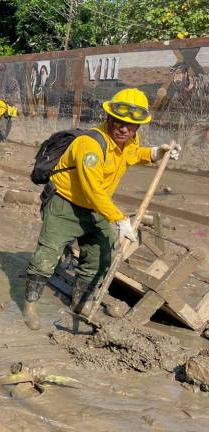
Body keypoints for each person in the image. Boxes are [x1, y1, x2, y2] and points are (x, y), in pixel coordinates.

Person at [21, 88, 181, 330]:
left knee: (101, 252)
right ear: (109, 117)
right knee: (46, 257)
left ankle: (80, 302)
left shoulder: (127, 141)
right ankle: (30, 305)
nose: (124, 129)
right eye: (119, 122)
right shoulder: (89, 145)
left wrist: (158, 153)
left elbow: (134, 154)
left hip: (95, 208)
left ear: (138, 126)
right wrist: (119, 219)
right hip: (66, 204)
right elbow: (92, 189)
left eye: (132, 125)